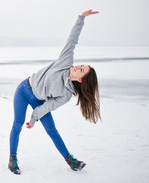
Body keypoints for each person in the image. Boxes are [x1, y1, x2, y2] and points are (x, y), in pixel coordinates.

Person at [8, 9, 101, 175]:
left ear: (80, 80)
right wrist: (81, 18)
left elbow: (48, 106)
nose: (79, 66)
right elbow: (72, 40)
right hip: (23, 90)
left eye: (82, 70)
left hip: (38, 101)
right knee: (17, 124)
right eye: (82, 65)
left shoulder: (66, 94)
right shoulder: (65, 61)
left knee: (52, 129)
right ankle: (12, 158)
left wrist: (34, 118)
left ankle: (70, 160)